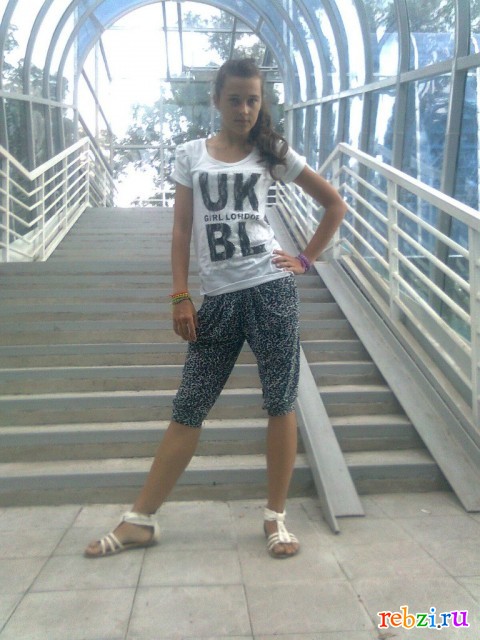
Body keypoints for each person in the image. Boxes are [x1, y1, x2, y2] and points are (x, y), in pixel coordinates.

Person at [85, 58, 346, 560]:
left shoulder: (272, 153)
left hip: (271, 290)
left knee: (280, 402)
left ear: (261, 103)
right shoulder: (191, 155)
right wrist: (180, 294)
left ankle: (275, 518)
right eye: (235, 100)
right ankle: (140, 519)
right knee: (190, 404)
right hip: (219, 299)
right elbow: (182, 229)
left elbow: (334, 204)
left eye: (253, 100)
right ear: (217, 100)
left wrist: (303, 260)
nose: (244, 109)